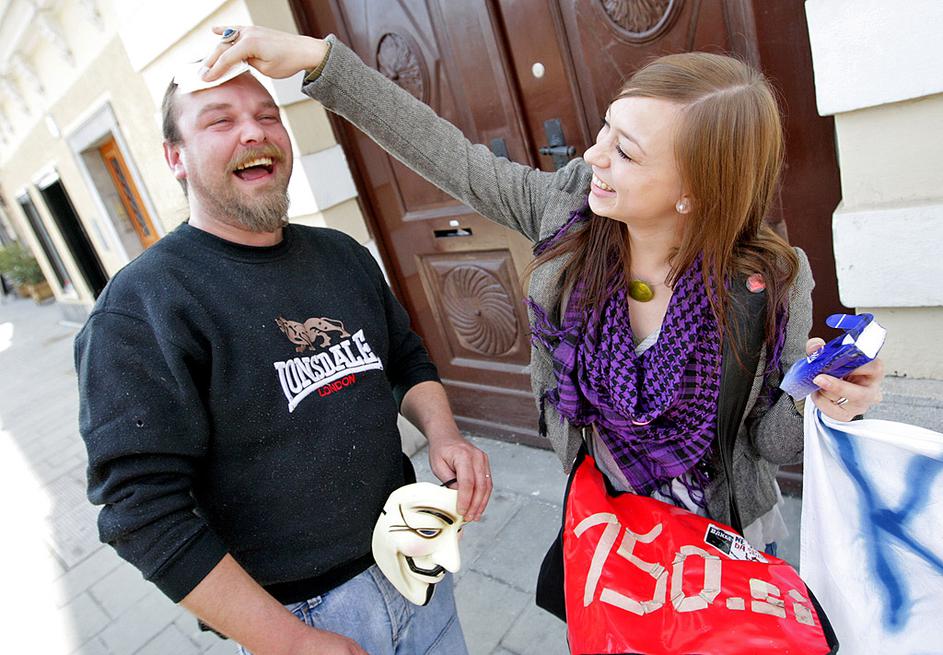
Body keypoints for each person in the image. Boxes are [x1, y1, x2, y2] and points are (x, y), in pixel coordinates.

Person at [202, 18, 883, 593]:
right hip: (608, 515)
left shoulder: (769, 280)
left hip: (720, 531)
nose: (594, 155)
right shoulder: (569, 212)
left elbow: (770, 442)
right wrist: (319, 61)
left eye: (625, 151)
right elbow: (446, 155)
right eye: (606, 130)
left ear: (694, 191)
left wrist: (820, 397)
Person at [74, 35, 492, 655]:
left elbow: (404, 359)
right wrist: (288, 641)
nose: (254, 132)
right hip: (303, 615)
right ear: (175, 157)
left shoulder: (342, 256)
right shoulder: (143, 308)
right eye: (220, 121)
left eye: (267, 115)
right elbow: (141, 514)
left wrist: (444, 434)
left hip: (415, 561)